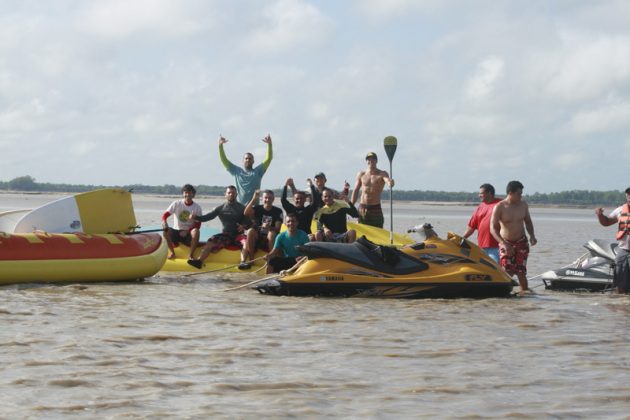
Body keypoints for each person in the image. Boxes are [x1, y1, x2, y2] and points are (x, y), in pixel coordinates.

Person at [187, 185, 251, 269]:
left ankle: (243, 262)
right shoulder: (220, 208)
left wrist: (244, 226)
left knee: (246, 242)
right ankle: (199, 261)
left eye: (233, 193)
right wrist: (196, 217)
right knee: (210, 240)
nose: (231, 194)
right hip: (226, 235)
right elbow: (207, 217)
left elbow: (249, 222)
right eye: (229, 193)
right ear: (225, 194)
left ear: (236, 194)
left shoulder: (242, 208)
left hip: (238, 235)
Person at [490, 180, 537, 292]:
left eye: (521, 194)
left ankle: (525, 292)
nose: (521, 196)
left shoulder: (523, 205)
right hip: (506, 242)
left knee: (521, 271)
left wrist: (532, 236)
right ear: (510, 193)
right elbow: (492, 228)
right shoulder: (500, 207)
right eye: (518, 194)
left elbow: (528, 222)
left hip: (521, 242)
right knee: (507, 271)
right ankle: (502, 294)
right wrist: (503, 243)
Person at [218, 134, 273, 205]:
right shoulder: (236, 171)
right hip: (240, 208)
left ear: (253, 161)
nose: (248, 160)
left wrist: (269, 144)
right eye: (246, 158)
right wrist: (220, 146)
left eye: (250, 159)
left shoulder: (258, 171)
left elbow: (268, 159)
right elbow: (224, 160)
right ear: (242, 161)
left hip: (254, 208)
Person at [595, 186, 630, 293]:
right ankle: (621, 305)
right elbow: (606, 222)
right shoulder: (620, 210)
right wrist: (600, 215)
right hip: (623, 251)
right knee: (620, 284)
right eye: (628, 194)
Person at [241, 189, 284, 269]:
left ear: (273, 199)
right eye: (266, 198)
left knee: (272, 233)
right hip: (258, 236)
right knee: (250, 231)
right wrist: (254, 199)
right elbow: (246, 213)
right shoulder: (257, 208)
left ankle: (272, 261)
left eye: (270, 198)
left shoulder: (278, 211)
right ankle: (251, 259)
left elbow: (278, 229)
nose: (267, 200)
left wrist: (269, 227)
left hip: (270, 238)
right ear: (262, 198)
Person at [350, 152, 394, 228]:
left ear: (376, 161)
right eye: (368, 159)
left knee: (378, 231)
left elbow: (387, 180)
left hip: (375, 208)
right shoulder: (361, 174)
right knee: (360, 231)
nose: (371, 161)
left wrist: (390, 182)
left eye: (373, 159)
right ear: (366, 161)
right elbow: (356, 190)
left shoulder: (382, 173)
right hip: (362, 207)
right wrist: (351, 205)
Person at [463, 183, 502, 263]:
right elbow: (471, 227)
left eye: (481, 193)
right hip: (481, 248)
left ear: (489, 193)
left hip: (497, 247)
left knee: (496, 270)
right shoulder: (480, 207)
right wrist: (462, 238)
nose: (479, 195)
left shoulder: (501, 204)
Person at [161, 184, 202, 260]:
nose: (187, 195)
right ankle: (172, 253)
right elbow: (165, 215)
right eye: (185, 192)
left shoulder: (197, 207)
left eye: (190, 193)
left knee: (196, 231)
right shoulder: (176, 203)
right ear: (183, 193)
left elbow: (198, 224)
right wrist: (164, 222)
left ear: (193, 194)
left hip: (188, 234)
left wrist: (187, 231)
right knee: (165, 231)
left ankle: (191, 255)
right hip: (176, 231)